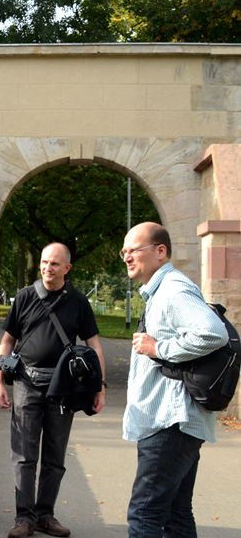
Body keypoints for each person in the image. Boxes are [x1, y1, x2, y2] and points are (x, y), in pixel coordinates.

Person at [121, 222, 228, 538]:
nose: (127, 257)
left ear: (160, 251)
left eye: (134, 250)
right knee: (175, 513)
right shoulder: (162, 290)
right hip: (175, 422)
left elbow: (213, 332)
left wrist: (157, 348)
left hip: (170, 422)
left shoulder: (172, 289)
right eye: (123, 252)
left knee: (145, 515)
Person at [0, 242, 105, 538]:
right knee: (24, 455)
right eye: (44, 262)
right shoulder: (25, 297)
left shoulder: (79, 301)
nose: (47, 268)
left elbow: (93, 345)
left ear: (67, 268)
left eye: (54, 264)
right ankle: (24, 518)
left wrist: (100, 388)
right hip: (25, 384)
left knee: (55, 456)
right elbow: (8, 342)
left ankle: (45, 515)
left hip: (63, 389)